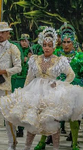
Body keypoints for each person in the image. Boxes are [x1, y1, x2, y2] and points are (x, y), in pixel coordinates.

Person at [0, 27, 83, 150]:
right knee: (32, 121)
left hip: (52, 94)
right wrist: (24, 93)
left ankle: (56, 148)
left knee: (52, 122)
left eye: (49, 45)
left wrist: (60, 84)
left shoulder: (59, 60)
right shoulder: (35, 59)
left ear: (54, 47)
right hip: (35, 92)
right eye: (45, 45)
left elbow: (71, 75)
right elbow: (29, 77)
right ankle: (27, 147)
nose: (46, 47)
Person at [0, 22, 22, 150]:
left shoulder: (12, 48)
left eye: (3, 32)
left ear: (8, 33)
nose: (0, 35)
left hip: (5, 87)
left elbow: (18, 68)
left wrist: (4, 71)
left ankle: (12, 143)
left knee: (8, 117)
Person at [12, 33, 32, 138]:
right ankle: (13, 125)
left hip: (26, 80)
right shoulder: (16, 50)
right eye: (22, 40)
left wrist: (28, 60)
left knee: (23, 104)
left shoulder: (32, 52)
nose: (24, 43)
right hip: (15, 79)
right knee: (14, 103)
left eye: (26, 41)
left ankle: (21, 128)